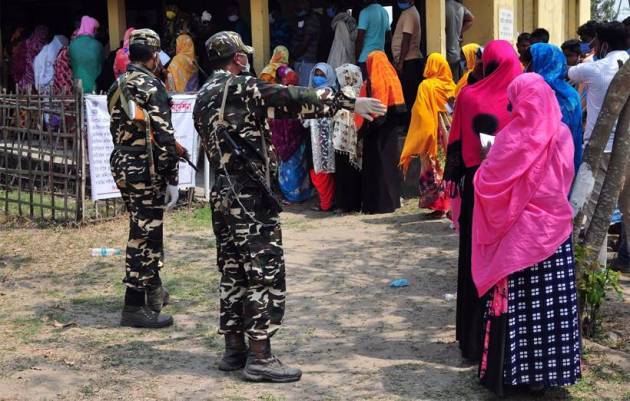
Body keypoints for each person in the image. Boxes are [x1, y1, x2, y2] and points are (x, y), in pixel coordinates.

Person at [193, 31, 385, 382]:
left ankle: (234, 350)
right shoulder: (240, 86)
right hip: (249, 197)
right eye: (244, 56)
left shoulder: (203, 95)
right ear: (238, 58)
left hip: (222, 194)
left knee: (233, 271)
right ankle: (260, 357)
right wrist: (347, 102)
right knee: (263, 273)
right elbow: (291, 97)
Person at [473, 73, 581, 396]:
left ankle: (515, 372)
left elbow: (486, 183)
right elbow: (566, 177)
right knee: (552, 310)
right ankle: (549, 374)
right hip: (553, 235)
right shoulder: (562, 134)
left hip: (517, 242)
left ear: (519, 102)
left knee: (521, 309)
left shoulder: (508, 139)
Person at [444, 40, 521, 361]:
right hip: (515, 188)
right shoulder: (523, 96)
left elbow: (457, 143)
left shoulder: (469, 95)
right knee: (507, 262)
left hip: (478, 186)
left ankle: (473, 340)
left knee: (476, 258)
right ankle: (503, 345)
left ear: (485, 63)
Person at [108, 29, 185, 329]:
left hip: (122, 162)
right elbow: (164, 137)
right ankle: (133, 306)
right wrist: (173, 177)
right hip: (144, 167)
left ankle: (153, 292)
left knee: (145, 226)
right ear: (154, 56)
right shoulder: (152, 86)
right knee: (144, 233)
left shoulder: (118, 84)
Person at [568, 21, 629, 266]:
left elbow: (569, 72)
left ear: (602, 44)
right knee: (628, 208)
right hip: (626, 148)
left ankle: (597, 271)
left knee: (596, 213)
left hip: (601, 150)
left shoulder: (595, 68)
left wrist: (589, 56)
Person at [400, 53, 455, 216]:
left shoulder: (426, 86)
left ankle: (439, 206)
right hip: (449, 133)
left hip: (432, 134)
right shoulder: (452, 86)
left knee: (433, 167)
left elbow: (420, 112)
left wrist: (419, 136)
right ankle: (449, 204)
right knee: (446, 167)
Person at [357, 51, 407, 214]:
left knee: (377, 167)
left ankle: (378, 205)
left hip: (376, 131)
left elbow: (374, 110)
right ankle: (393, 201)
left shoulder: (374, 80)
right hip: (391, 130)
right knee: (390, 165)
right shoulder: (393, 77)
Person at [528, 43, 582, 172]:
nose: (528, 67)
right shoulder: (570, 94)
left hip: (535, 163)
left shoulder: (531, 92)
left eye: (531, 62)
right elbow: (576, 132)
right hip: (564, 159)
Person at [272, 66, 314, 203]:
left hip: (286, 138)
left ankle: (292, 195)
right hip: (295, 137)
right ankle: (300, 193)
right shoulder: (298, 93)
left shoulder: (276, 94)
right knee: (297, 166)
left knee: (291, 167)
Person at [306, 63, 337, 212]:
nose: (318, 78)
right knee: (315, 170)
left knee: (323, 170)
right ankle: (325, 201)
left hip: (324, 137)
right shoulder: (310, 93)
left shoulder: (330, 93)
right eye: (316, 74)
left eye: (322, 75)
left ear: (329, 76)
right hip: (312, 135)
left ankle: (326, 203)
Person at [333, 63, 364, 213]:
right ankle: (356, 203)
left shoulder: (345, 92)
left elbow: (338, 114)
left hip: (342, 139)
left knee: (343, 173)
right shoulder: (360, 91)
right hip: (356, 137)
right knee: (355, 171)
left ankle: (345, 205)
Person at [392, 0, 424, 117]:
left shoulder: (409, 14)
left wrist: (400, 62)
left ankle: (409, 123)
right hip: (408, 59)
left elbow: (406, 39)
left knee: (408, 96)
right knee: (409, 94)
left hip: (408, 61)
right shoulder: (408, 12)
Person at [355, 0, 391, 77]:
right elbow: (388, 36)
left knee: (366, 83)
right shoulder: (384, 12)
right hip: (381, 57)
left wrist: (356, 57)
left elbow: (360, 38)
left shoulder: (365, 12)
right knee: (378, 83)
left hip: (366, 58)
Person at [69, 16, 104, 93]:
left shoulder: (72, 44)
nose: (97, 33)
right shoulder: (97, 45)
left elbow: (70, 64)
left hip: (78, 85)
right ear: (93, 29)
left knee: (79, 101)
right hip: (95, 85)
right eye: (96, 30)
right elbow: (102, 64)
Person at [291, 0, 321, 86]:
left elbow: (306, 42)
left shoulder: (312, 20)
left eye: (302, 2)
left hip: (306, 61)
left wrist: (294, 55)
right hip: (300, 60)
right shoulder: (302, 18)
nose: (298, 5)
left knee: (303, 89)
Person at [445, 0, 474, 82]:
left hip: (446, 54)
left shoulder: (443, 6)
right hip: (456, 54)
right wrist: (459, 32)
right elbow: (471, 18)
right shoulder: (460, 7)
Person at [18, 25, 50, 90]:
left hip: (33, 74)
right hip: (31, 73)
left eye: (45, 33)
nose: (44, 35)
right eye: (42, 32)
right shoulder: (45, 46)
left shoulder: (28, 42)